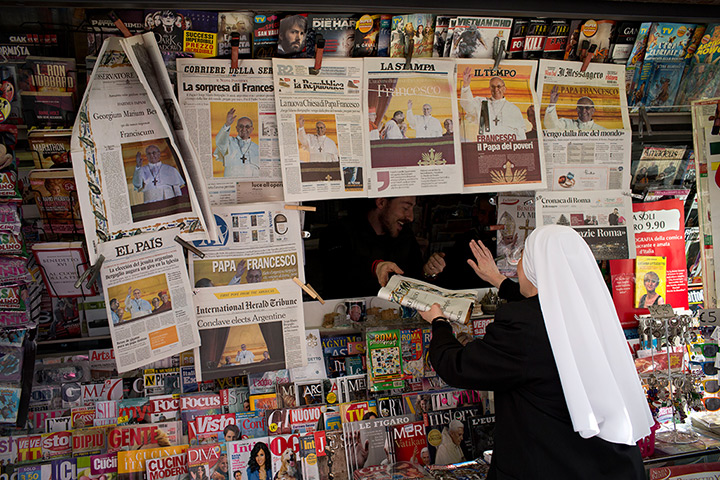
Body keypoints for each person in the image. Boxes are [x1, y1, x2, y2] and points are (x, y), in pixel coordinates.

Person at [420, 225, 652, 479]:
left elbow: (459, 366)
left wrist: (438, 323)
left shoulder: (522, 325)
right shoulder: (591, 311)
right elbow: (546, 305)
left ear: (536, 268)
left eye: (523, 259)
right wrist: (498, 280)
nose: (519, 266)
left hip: (549, 466)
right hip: (609, 464)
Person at [320, 196, 446, 298]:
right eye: (405, 208)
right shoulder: (340, 231)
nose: (411, 217)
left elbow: (414, 278)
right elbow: (338, 271)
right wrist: (376, 266)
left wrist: (428, 272)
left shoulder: (405, 235)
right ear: (381, 203)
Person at [460, 69, 527, 140]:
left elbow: (521, 133)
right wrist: (466, 86)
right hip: (487, 146)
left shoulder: (513, 109)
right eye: (493, 87)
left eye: (499, 86)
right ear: (490, 88)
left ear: (504, 89)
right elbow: (467, 105)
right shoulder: (482, 103)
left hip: (507, 147)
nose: (496, 89)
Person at [215, 109, 260, 178]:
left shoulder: (257, 148)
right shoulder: (228, 142)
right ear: (236, 128)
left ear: (252, 129)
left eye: (247, 127)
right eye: (241, 126)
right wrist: (227, 124)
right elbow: (220, 142)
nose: (244, 129)